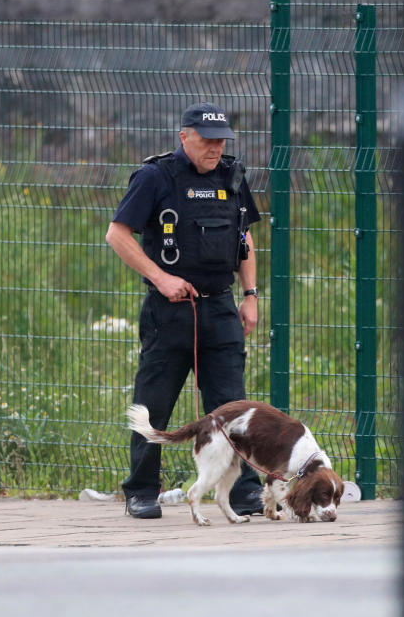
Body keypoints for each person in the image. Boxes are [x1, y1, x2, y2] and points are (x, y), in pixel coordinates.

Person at [106, 101, 263, 519]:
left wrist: (251, 294)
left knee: (232, 408)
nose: (215, 148)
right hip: (169, 311)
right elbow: (117, 234)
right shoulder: (156, 177)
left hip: (221, 308)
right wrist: (160, 278)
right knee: (154, 403)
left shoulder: (232, 175)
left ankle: (243, 491)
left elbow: (243, 238)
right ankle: (141, 490)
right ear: (184, 136)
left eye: (220, 141)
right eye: (207, 140)